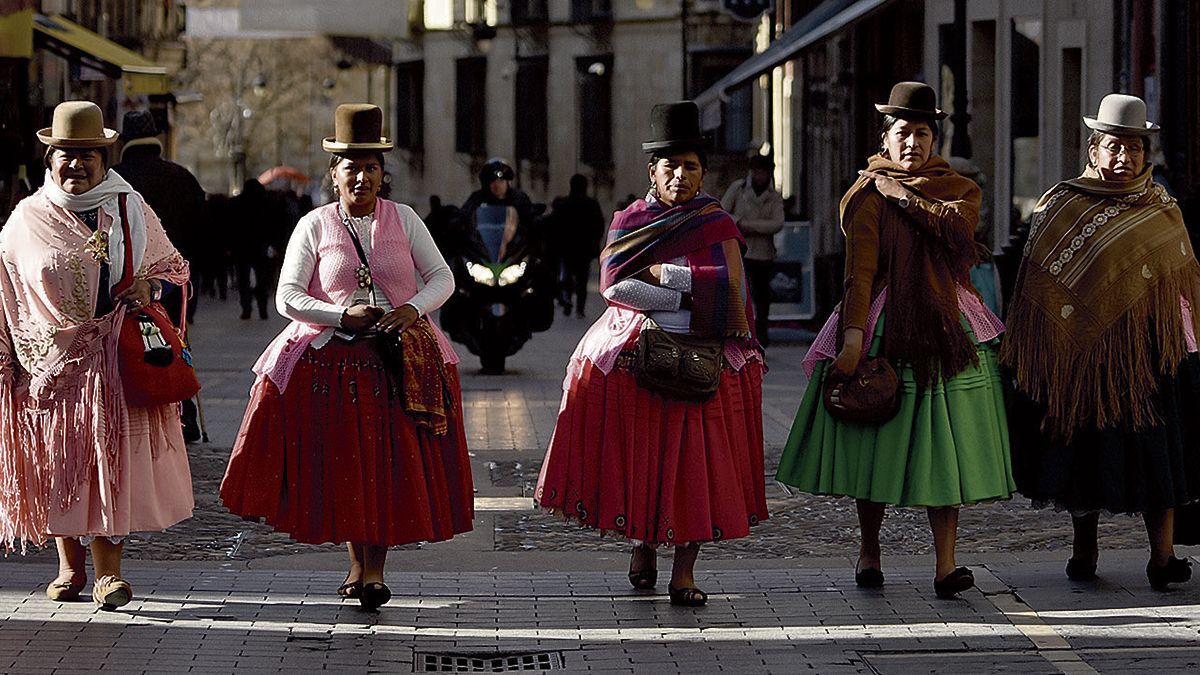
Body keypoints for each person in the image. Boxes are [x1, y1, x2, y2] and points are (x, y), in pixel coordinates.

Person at [220, 104, 474, 611]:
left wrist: (409, 309)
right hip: (333, 368)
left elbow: (442, 277)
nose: (361, 176)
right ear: (333, 175)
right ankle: (357, 563)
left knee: (384, 466)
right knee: (350, 467)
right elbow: (288, 297)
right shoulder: (314, 226)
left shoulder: (404, 220)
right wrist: (340, 316)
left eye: (371, 167)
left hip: (396, 365)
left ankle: (374, 571)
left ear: (383, 174)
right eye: (351, 168)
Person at [775, 82, 1014, 599]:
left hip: (947, 326)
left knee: (945, 450)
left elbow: (959, 232)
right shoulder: (866, 195)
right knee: (874, 443)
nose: (913, 142)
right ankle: (869, 550)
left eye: (923, 133)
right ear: (886, 138)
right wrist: (854, 339)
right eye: (903, 132)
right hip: (885, 324)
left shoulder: (958, 188)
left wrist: (904, 195)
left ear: (935, 139)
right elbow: (859, 273)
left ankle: (946, 565)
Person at [536, 101, 768, 607]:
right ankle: (643, 543)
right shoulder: (630, 221)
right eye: (671, 167)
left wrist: (667, 277)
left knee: (696, 472)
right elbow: (616, 287)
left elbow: (735, 292)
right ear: (652, 172)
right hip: (644, 357)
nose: (681, 176)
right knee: (648, 464)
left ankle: (684, 572)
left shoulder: (717, 223)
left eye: (690, 167)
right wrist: (688, 291)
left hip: (705, 360)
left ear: (703, 173)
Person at [1000, 94, 1200, 591]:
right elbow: (1037, 281)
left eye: (1133, 148)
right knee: (1085, 456)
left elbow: (1181, 286)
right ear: (1093, 150)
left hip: (1152, 355)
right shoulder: (1061, 204)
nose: (1123, 158)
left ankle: (1163, 556)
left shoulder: (1161, 206)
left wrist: (1187, 346)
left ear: (1145, 153)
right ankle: (1083, 547)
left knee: (1160, 457)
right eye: (1113, 147)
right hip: (1081, 356)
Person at [0, 101, 194, 608]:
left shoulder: (129, 206)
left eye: (89, 154)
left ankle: (110, 573)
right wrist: (12, 355)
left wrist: (149, 286)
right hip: (49, 364)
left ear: (106, 158)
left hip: (114, 360)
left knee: (111, 464)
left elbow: (171, 266)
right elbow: (6, 288)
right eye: (67, 154)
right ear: (50, 159)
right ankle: (69, 567)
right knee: (62, 463)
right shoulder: (26, 218)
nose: (77, 164)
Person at [112, 109, 206, 442]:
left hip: (129, 279)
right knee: (174, 341)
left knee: (132, 345)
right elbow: (203, 229)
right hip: (175, 279)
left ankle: (142, 413)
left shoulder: (115, 178)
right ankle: (185, 414)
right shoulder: (182, 177)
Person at [721, 154, 784, 346]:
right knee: (739, 296)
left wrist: (750, 225)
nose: (760, 176)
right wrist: (738, 223)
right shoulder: (738, 189)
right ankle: (739, 334)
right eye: (757, 172)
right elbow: (722, 212)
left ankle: (761, 336)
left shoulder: (774, 196)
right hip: (741, 253)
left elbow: (777, 223)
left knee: (762, 299)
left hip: (764, 255)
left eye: (763, 173)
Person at [549, 174, 606, 318]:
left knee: (567, 277)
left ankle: (568, 301)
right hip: (583, 249)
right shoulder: (591, 204)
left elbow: (555, 225)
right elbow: (598, 226)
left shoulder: (564, 204)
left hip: (568, 248)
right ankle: (579, 308)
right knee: (582, 280)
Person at [459, 158, 535, 260]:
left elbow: (529, 219)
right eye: (492, 181)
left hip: (512, 251)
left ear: (507, 182)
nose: (497, 185)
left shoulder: (519, 198)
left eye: (501, 181)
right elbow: (465, 215)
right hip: (484, 249)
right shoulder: (478, 198)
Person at [230, 179, 280, 319]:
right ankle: (262, 308)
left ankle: (246, 309)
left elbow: (229, 227)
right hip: (261, 248)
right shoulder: (267, 203)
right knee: (262, 279)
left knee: (243, 280)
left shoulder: (237, 203)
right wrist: (275, 244)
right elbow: (275, 226)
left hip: (241, 248)